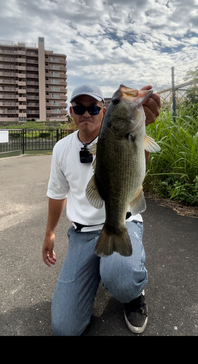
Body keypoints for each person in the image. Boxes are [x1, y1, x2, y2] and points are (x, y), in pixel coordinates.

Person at [42, 83, 161, 336]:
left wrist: (143, 127)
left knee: (121, 277)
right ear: (72, 112)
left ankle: (132, 291)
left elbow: (138, 167)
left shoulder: (123, 133)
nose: (86, 113)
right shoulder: (61, 148)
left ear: (104, 112)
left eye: (94, 108)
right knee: (65, 328)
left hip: (123, 219)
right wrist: (50, 232)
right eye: (79, 108)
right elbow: (56, 194)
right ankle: (100, 272)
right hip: (82, 234)